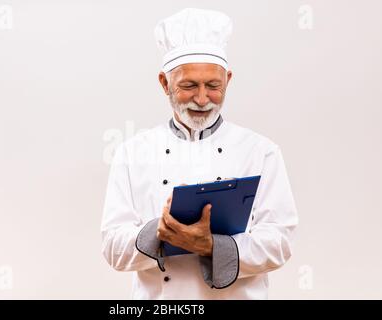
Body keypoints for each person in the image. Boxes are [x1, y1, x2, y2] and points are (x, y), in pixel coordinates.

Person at [101, 8, 298, 299]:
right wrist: (161, 231)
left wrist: (211, 246)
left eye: (213, 86)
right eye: (189, 85)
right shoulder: (132, 153)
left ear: (228, 80)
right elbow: (113, 249)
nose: (203, 99)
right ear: (164, 83)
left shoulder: (262, 152)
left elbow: (279, 242)